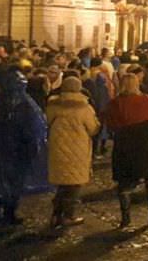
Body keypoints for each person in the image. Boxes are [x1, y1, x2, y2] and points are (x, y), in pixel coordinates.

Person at [0, 69, 50, 226]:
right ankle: (7, 214)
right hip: (17, 150)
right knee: (12, 182)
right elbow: (34, 129)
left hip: (0, 149)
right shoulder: (24, 104)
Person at [106, 72, 148, 228]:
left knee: (124, 182)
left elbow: (109, 123)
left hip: (123, 143)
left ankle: (126, 217)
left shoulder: (114, 103)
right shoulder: (145, 100)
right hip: (143, 142)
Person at [46, 76, 100, 229]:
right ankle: (68, 215)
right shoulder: (84, 107)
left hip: (57, 147)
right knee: (74, 184)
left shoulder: (53, 105)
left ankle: (56, 213)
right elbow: (93, 128)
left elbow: (47, 122)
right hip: (78, 148)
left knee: (62, 183)